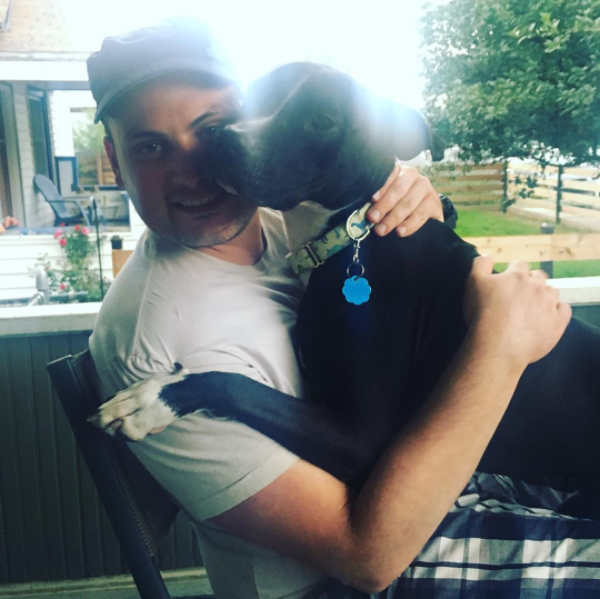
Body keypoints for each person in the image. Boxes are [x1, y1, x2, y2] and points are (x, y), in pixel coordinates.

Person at [88, 21, 598, 599]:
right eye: (150, 147)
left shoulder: (286, 222)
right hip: (354, 572)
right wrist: (501, 345)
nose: (196, 168)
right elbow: (370, 557)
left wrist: (415, 198)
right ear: (113, 159)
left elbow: (355, 196)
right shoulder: (152, 338)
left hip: (460, 478)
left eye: (212, 129)